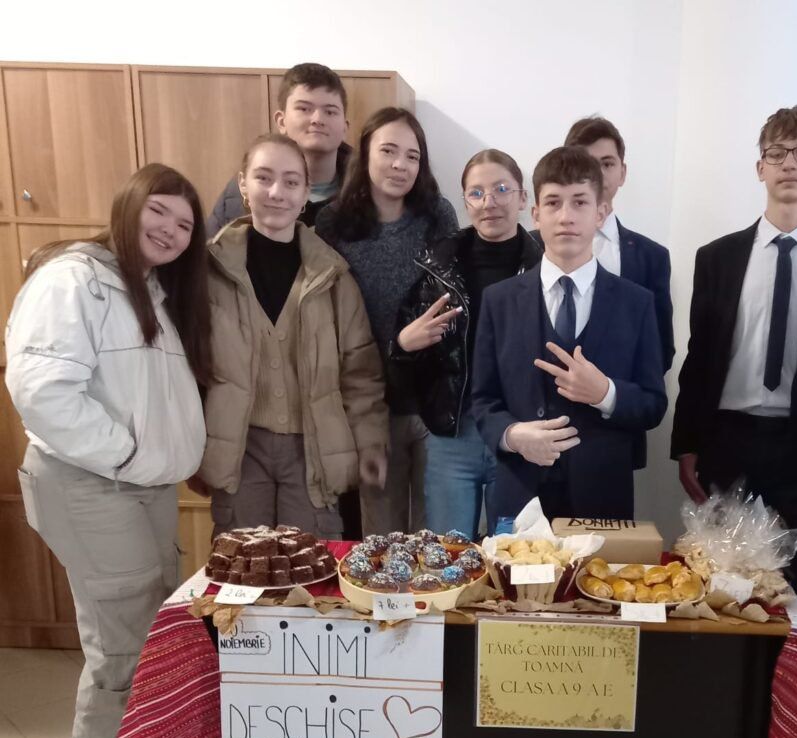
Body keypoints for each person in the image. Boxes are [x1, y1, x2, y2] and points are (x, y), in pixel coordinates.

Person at [470, 146, 667, 738]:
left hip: (601, 498)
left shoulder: (636, 303)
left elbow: (652, 404)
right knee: (510, 625)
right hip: (519, 493)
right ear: (534, 211)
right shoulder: (500, 301)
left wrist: (605, 392)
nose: (565, 216)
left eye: (580, 201)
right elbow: (480, 401)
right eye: (551, 202)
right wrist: (512, 434)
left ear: (603, 208)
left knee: (596, 628)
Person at [6, 164, 211, 738]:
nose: (170, 230)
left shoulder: (150, 292)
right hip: (94, 483)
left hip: (139, 486)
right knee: (124, 636)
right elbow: (42, 392)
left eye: (185, 224)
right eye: (159, 211)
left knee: (149, 623)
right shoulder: (74, 279)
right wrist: (128, 454)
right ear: (127, 205)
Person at [671, 105, 797, 620]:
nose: (790, 163)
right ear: (760, 167)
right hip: (727, 441)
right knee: (717, 582)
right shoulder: (717, 258)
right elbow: (699, 359)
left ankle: (794, 672)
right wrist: (686, 445)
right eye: (777, 153)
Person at [194, 134, 388, 538]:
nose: (276, 192)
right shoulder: (209, 271)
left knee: (312, 564)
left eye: (291, 181)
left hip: (313, 451)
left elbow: (360, 373)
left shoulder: (333, 276)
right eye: (263, 178)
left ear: (305, 194)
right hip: (239, 451)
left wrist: (370, 444)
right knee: (244, 564)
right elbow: (188, 369)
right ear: (243, 184)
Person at [317, 107, 458, 534]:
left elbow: (452, 302)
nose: (400, 165)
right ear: (365, 154)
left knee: (435, 534)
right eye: (388, 151)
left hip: (432, 400)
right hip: (369, 405)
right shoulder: (333, 223)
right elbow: (327, 318)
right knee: (381, 535)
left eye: (412, 156)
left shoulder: (437, 215)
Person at [392, 148, 541, 537]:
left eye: (502, 189)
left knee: (516, 559)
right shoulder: (437, 268)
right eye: (476, 193)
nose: (489, 202)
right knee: (448, 556)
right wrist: (404, 344)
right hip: (453, 436)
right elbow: (404, 363)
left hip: (518, 434)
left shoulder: (546, 267)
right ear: (465, 202)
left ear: (523, 198)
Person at [563, 116, 674, 376]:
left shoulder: (652, 257)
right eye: (586, 162)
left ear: (622, 173)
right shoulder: (534, 244)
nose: (597, 173)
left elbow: (660, 349)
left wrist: (610, 393)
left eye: (607, 163)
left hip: (618, 396)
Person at [206, 63, 353, 234]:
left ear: (344, 127)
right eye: (304, 109)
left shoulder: (368, 193)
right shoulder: (244, 190)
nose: (317, 119)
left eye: (330, 112)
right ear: (281, 121)